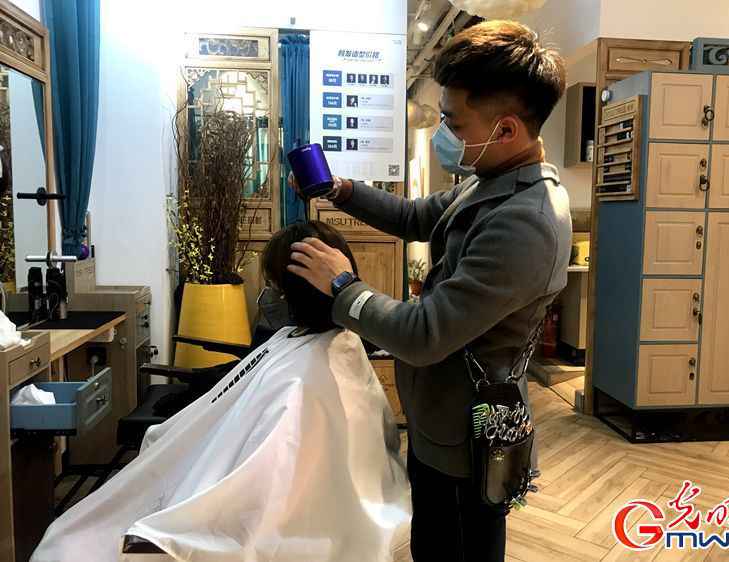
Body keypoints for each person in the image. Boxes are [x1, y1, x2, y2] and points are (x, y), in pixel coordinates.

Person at [288, 20, 571, 562]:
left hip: (469, 434)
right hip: (440, 418)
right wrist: (339, 189)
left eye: (453, 121)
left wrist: (343, 286)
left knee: (459, 547)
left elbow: (423, 335)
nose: (443, 130)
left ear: (506, 129)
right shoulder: (491, 180)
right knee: (433, 542)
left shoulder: (526, 222)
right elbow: (416, 216)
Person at [31, 221, 411, 562]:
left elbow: (262, 478)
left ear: (295, 294)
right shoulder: (310, 341)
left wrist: (180, 529)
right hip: (217, 458)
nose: (268, 297)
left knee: (72, 542)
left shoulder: (304, 380)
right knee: (74, 534)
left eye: (274, 288)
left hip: (279, 513)